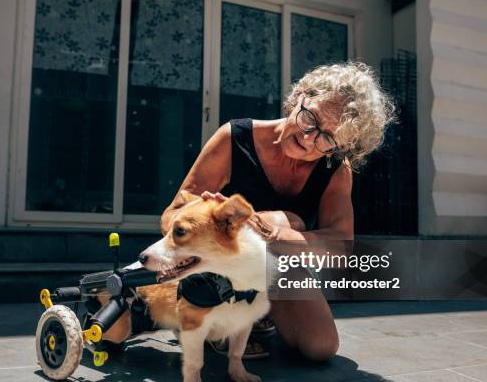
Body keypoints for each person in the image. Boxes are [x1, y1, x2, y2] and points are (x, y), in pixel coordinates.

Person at [160, 62, 395, 360]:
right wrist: (212, 220)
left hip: (276, 267)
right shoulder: (234, 137)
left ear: (340, 147)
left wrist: (271, 234)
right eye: (311, 118)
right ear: (300, 95)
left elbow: (340, 246)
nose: (310, 138)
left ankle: (253, 313)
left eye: (327, 138)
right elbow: (171, 215)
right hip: (216, 259)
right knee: (291, 219)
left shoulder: (336, 170)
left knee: (321, 347)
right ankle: (203, 305)